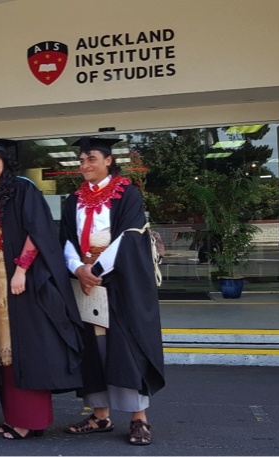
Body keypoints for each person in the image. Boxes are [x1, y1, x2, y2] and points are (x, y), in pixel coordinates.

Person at [0, 137, 85, 440]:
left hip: (21, 278)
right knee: (4, 350)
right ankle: (14, 418)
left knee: (26, 348)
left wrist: (21, 270)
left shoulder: (22, 188)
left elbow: (38, 230)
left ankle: (30, 420)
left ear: (5, 162)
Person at [59, 137, 165, 446]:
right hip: (85, 281)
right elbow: (66, 238)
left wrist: (95, 271)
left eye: (91, 158)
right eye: (81, 160)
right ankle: (100, 415)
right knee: (93, 350)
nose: (85, 165)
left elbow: (128, 238)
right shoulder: (73, 199)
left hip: (119, 282)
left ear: (108, 160)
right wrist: (77, 268)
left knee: (126, 349)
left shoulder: (126, 195)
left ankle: (139, 419)